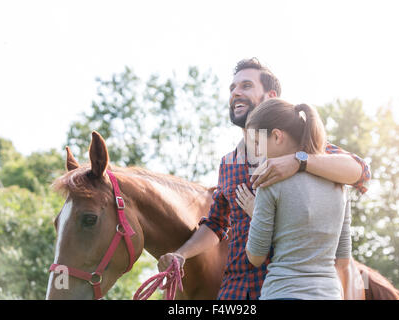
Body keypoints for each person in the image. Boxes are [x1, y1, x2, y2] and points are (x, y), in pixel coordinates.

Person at [158, 58, 370, 300]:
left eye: (246, 86)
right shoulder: (229, 163)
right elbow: (217, 225)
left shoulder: (305, 149)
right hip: (235, 291)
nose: (236, 93)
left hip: (288, 288)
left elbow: (361, 172)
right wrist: (181, 254)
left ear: (270, 96)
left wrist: (299, 161)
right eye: (232, 88)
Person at [244, 98, 350, 300]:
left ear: (277, 136)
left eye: (258, 142)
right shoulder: (339, 183)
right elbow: (343, 260)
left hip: (283, 292)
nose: (257, 151)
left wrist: (255, 213)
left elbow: (256, 257)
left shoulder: (270, 183)